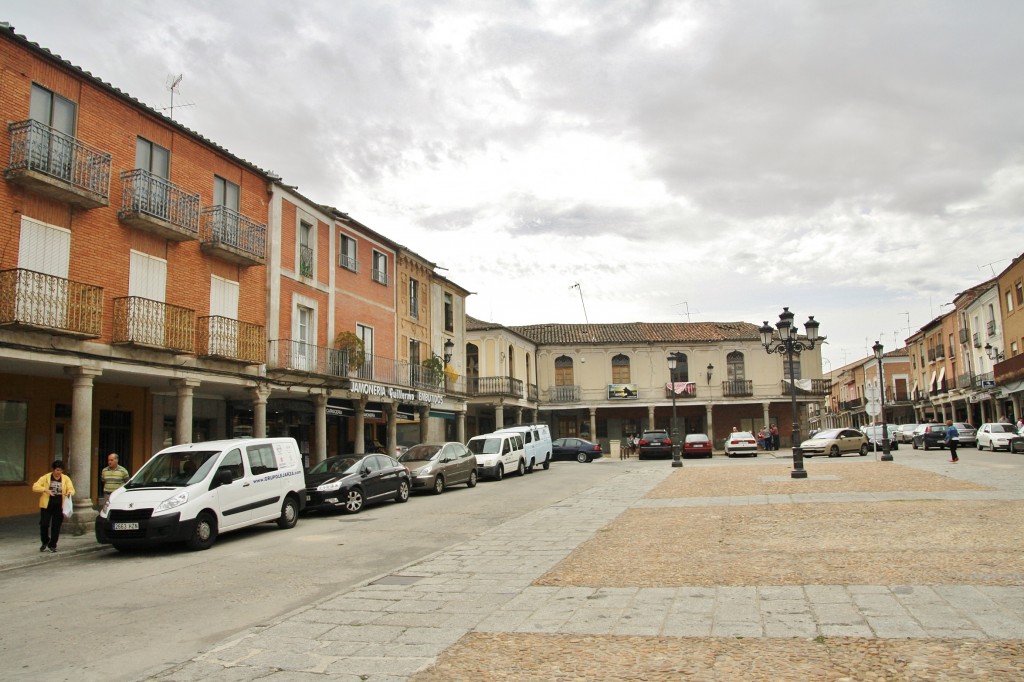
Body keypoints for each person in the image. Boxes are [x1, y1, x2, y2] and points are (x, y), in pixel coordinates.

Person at [32, 460, 75, 553]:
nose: (58, 472)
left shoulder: (66, 479)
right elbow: (35, 487)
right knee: (44, 524)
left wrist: (69, 492)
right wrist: (45, 490)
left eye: (60, 470)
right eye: (56, 470)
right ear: (53, 470)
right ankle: (45, 541)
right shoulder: (46, 477)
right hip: (47, 505)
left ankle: (52, 545)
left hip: (59, 505)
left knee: (56, 526)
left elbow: (71, 489)